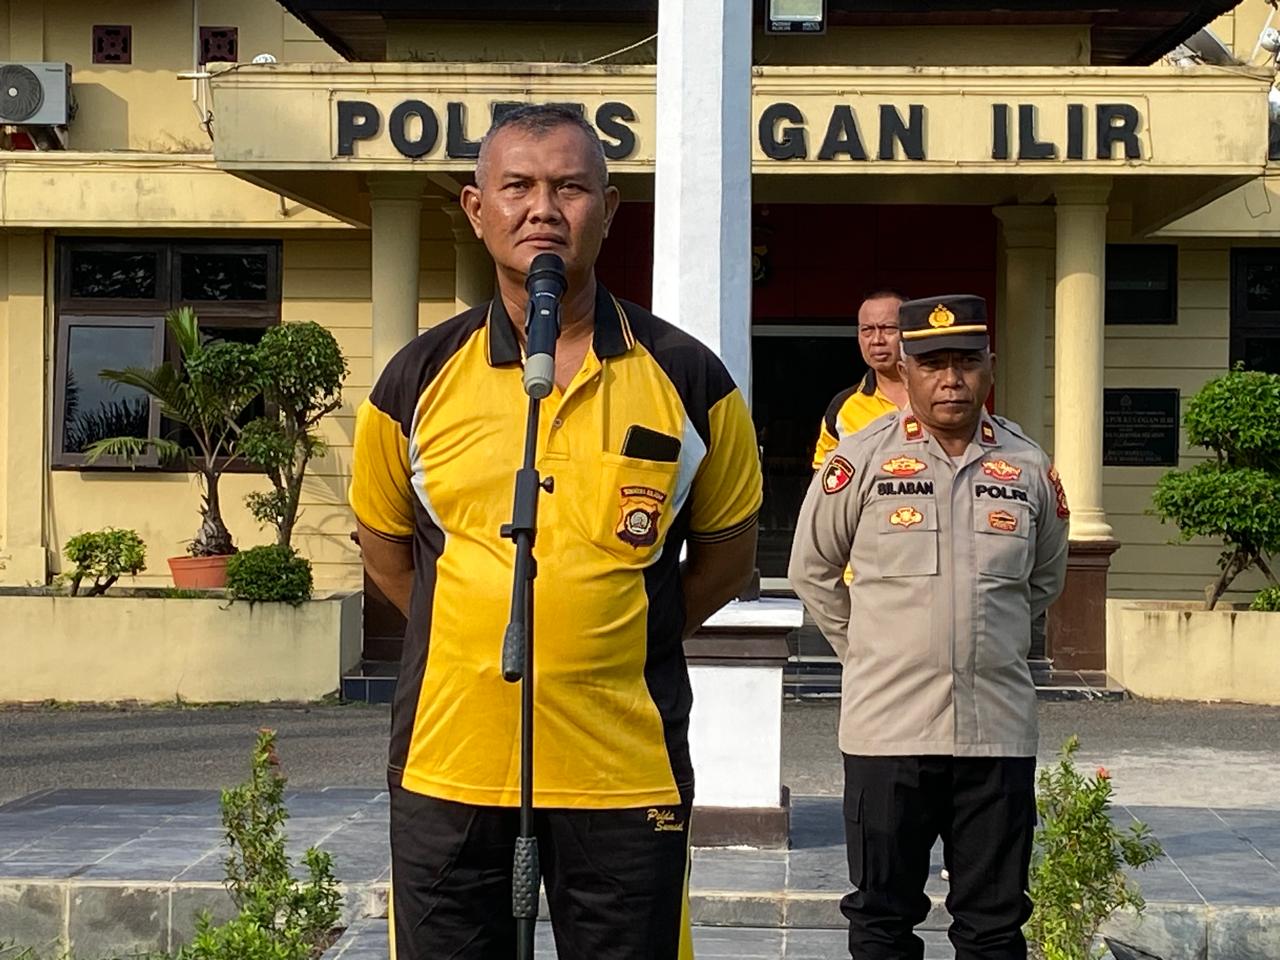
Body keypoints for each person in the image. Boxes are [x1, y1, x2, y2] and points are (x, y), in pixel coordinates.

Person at [349, 103, 762, 960]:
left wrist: (621, 632)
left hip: (624, 767)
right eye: (519, 187)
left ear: (608, 210)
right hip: (451, 760)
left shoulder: (687, 377)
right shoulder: (416, 379)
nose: (543, 208)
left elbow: (726, 560)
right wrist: (466, 630)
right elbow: (384, 549)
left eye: (570, 187)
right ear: (476, 209)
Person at [788, 294, 1069, 960]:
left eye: (966, 362)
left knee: (995, 925)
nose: (951, 379)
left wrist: (987, 636)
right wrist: (868, 650)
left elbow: (1045, 578)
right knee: (882, 919)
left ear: (989, 366)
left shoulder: (1028, 466)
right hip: (888, 730)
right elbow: (812, 568)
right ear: (906, 369)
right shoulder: (860, 459)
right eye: (934, 363)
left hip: (995, 729)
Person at [811, 289, 911, 471]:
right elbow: (823, 476)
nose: (877, 340)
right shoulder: (843, 407)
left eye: (888, 328)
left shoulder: (940, 396)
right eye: (867, 330)